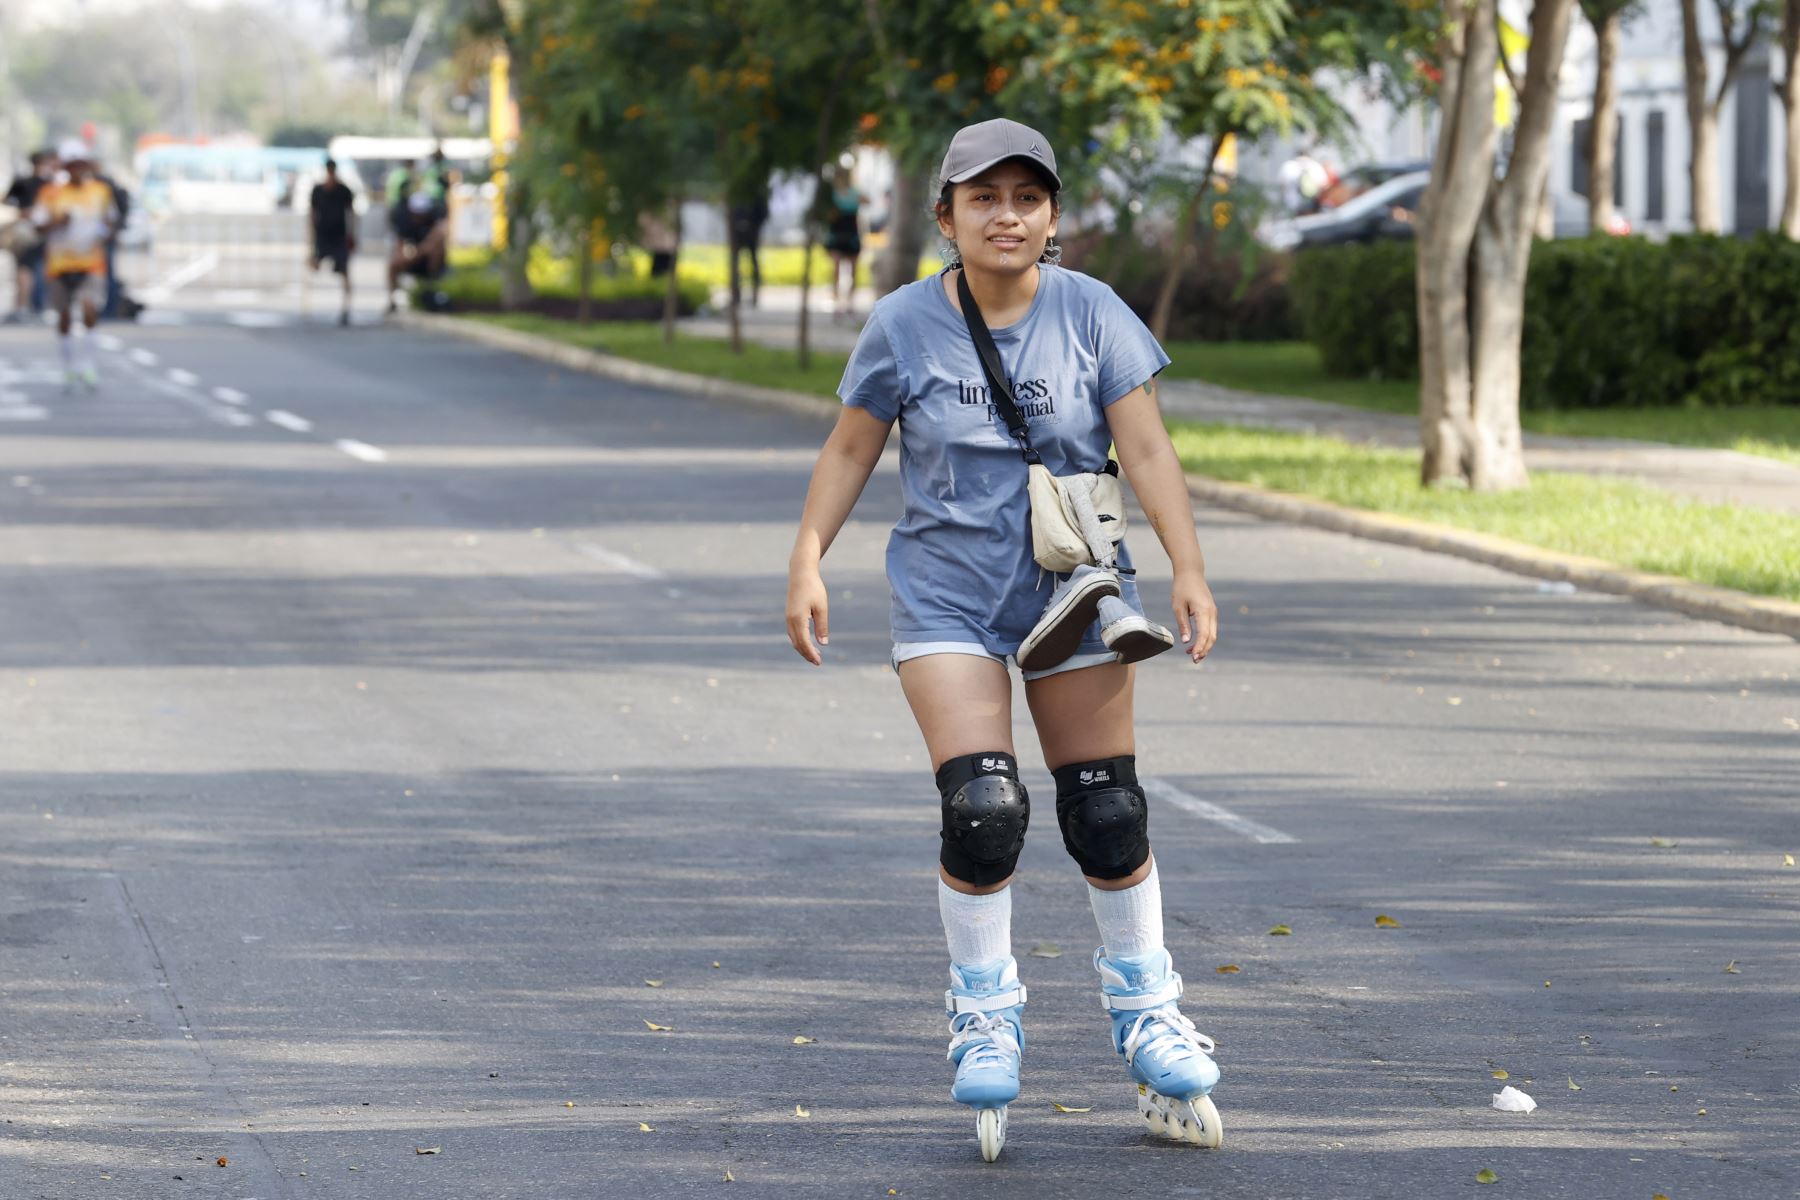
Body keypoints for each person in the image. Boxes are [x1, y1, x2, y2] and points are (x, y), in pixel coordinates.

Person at [784, 118, 1224, 1162]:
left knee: (1107, 812)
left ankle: (1148, 1011)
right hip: (948, 602)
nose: (1007, 215)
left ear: (1054, 217)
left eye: (1028, 197)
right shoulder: (901, 324)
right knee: (984, 809)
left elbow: (1148, 448)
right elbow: (851, 449)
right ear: (946, 216)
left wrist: (1191, 565)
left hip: (1072, 595)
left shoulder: (1094, 315)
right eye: (983, 197)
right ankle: (985, 1014)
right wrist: (807, 556)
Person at [31, 140, 118, 390]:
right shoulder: (51, 193)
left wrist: (105, 233)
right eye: (74, 166)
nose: (79, 171)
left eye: (82, 166)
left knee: (89, 310)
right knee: (65, 316)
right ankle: (69, 367)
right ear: (66, 168)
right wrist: (57, 222)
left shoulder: (101, 191)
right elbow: (37, 226)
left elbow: (110, 221)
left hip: (91, 263)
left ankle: (88, 365)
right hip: (59, 264)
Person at [4, 149, 57, 323]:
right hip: (29, 233)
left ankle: (30, 306)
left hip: (40, 232)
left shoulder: (49, 184)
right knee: (27, 269)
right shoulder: (35, 183)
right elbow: (7, 201)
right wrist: (25, 212)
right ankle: (27, 307)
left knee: (31, 270)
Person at [309, 158, 358, 326]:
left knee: (344, 271)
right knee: (313, 265)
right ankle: (308, 306)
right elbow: (312, 216)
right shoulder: (318, 190)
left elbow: (351, 213)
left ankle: (346, 309)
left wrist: (352, 235)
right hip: (323, 236)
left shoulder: (343, 190)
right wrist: (311, 242)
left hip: (339, 236)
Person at [822, 166, 862, 319]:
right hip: (838, 234)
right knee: (837, 270)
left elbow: (864, 200)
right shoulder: (832, 195)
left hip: (850, 233)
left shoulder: (853, 193)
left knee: (852, 271)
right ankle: (838, 302)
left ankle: (849, 303)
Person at [728, 193, 769, 307]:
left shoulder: (757, 193)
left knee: (754, 264)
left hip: (752, 234)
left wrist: (753, 226)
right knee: (735, 265)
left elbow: (764, 214)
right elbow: (729, 212)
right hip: (737, 234)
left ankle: (755, 296)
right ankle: (736, 296)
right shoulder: (735, 193)